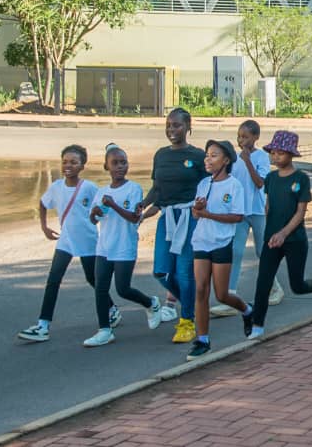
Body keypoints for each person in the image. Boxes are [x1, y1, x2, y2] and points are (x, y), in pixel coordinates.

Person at [248, 131, 312, 339]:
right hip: (271, 239)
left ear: (290, 154)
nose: (275, 156)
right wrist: (270, 232)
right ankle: (257, 325)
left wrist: (283, 233)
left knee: (297, 285)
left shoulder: (301, 178)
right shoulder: (270, 178)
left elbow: (300, 212)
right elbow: (269, 207)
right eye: (273, 152)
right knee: (263, 282)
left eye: (280, 153)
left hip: (294, 239)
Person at [17, 145, 104, 342]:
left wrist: (99, 219)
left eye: (74, 162)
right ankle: (43, 325)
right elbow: (42, 203)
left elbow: (101, 209)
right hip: (66, 240)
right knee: (53, 279)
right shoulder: (56, 187)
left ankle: (111, 309)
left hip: (88, 240)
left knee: (93, 280)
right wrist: (44, 227)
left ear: (83, 165)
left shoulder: (89, 188)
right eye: (65, 161)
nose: (68, 166)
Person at [139, 108, 207, 344]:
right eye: (168, 125)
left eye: (177, 125)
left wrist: (203, 210)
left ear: (188, 127)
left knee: (184, 272)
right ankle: (192, 302)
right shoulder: (161, 155)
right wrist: (143, 204)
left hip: (189, 218)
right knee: (160, 271)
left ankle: (187, 321)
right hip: (167, 218)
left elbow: (209, 184)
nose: (171, 130)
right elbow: (157, 188)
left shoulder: (198, 156)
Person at [83, 144, 161, 347]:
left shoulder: (133, 188)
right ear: (106, 167)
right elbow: (93, 219)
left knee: (123, 288)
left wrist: (113, 205)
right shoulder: (102, 191)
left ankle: (151, 303)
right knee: (100, 288)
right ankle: (104, 330)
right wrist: (95, 214)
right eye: (115, 163)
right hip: (104, 247)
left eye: (123, 162)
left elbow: (134, 218)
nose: (119, 167)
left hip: (124, 245)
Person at [187, 139, 253, 360]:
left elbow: (237, 216)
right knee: (200, 289)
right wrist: (197, 210)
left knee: (222, 294)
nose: (208, 159)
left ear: (226, 160)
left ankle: (247, 310)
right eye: (207, 154)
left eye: (214, 155)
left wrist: (207, 214)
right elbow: (196, 213)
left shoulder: (234, 185)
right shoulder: (204, 184)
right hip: (201, 242)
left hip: (222, 242)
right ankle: (202, 340)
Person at [213, 120, 271, 318]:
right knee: (235, 251)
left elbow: (260, 182)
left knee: (262, 251)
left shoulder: (261, 157)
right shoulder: (235, 159)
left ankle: (273, 287)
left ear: (256, 137)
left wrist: (247, 161)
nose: (241, 141)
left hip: (257, 210)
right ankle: (230, 295)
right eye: (239, 137)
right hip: (241, 212)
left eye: (245, 137)